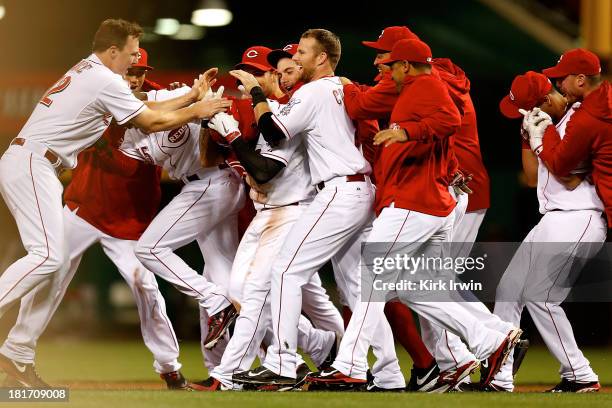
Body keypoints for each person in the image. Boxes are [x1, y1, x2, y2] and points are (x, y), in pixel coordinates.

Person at [0, 18, 229, 387]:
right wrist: (197, 110)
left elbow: (145, 106)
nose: (134, 61)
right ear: (112, 52)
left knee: (54, 261)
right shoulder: (104, 79)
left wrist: (190, 96)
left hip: (46, 169)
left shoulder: (92, 72)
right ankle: (15, 352)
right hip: (41, 169)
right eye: (131, 54)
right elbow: (152, 121)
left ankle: (17, 354)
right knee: (48, 258)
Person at [306, 38, 521, 393]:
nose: (386, 71)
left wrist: (407, 131)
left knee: (371, 276)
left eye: (390, 65)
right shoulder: (423, 87)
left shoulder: (424, 84)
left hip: (413, 201)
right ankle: (489, 341)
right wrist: (447, 167)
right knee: (413, 288)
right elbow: (447, 133)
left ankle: (349, 364)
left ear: (405, 65)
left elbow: (448, 119)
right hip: (428, 201)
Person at [228, 29, 405, 391]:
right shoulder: (341, 87)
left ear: (322, 57)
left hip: (340, 190)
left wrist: (258, 93)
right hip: (358, 187)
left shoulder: (314, 90)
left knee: (285, 272)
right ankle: (388, 372)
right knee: (357, 287)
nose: (297, 60)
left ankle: (281, 364)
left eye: (304, 53)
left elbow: (275, 133)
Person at [192, 45, 344, 391]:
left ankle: (228, 375)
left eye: (256, 72)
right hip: (267, 213)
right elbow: (232, 164)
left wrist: (231, 136)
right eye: (245, 70)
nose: (247, 78)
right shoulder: (266, 115)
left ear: (273, 77)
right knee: (237, 289)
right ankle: (321, 347)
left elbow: (263, 173)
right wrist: (210, 123)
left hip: (292, 211)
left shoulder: (285, 115)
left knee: (256, 291)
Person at [493, 70, 605, 393]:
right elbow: (530, 179)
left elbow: (569, 178)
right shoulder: (541, 122)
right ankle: (500, 378)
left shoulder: (577, 121)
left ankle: (580, 374)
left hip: (579, 216)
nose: (522, 115)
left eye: (525, 109)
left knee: (540, 296)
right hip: (554, 218)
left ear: (542, 101)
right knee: (508, 291)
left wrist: (541, 141)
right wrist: (528, 139)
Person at [524, 48, 611, 232]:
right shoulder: (606, 95)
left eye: (562, 78)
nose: (558, 84)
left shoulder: (588, 117)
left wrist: (543, 134)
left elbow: (559, 165)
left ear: (580, 80)